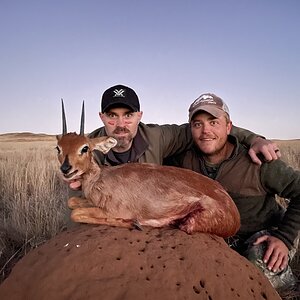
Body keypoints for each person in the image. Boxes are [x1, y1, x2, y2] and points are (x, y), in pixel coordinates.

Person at [166, 92, 300, 295]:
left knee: (260, 271)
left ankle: (287, 289)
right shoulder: (184, 160)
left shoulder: (257, 160)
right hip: (215, 238)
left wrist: (284, 238)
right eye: (197, 124)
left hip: (259, 235)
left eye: (213, 122)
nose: (205, 131)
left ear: (229, 127)